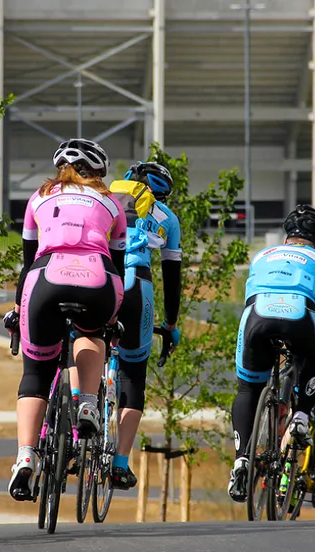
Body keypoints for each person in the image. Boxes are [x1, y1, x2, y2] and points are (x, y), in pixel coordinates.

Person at [4, 138, 127, 501]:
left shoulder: (39, 197)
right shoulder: (111, 202)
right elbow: (118, 267)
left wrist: (17, 309)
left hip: (45, 278)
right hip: (98, 279)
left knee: (36, 372)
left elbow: (27, 263)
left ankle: (25, 456)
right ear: (100, 172)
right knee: (94, 332)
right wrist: (113, 318)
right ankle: (88, 401)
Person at [227, 204, 315, 503]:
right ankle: (301, 417)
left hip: (256, 317)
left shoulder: (262, 255)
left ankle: (241, 460)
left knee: (248, 387)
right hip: (300, 316)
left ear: (288, 236)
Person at [108, 161, 182, 490]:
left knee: (78, 347)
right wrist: (170, 323)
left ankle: (72, 427)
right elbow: (172, 275)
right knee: (134, 374)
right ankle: (120, 463)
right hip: (137, 283)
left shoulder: (101, 196)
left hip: (96, 276)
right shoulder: (167, 217)